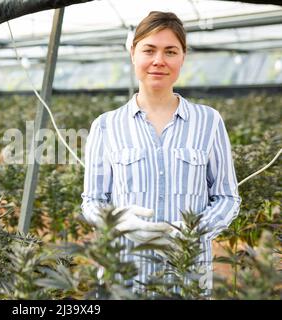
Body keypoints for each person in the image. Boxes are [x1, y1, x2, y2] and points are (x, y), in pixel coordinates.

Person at [81, 11, 241, 292]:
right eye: (149, 50)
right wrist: (118, 222)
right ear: (133, 53)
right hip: (125, 275)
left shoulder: (208, 121)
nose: (159, 60)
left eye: (170, 51)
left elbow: (227, 197)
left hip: (187, 274)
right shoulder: (106, 125)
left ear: (183, 57)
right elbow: (92, 200)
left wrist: (194, 231)